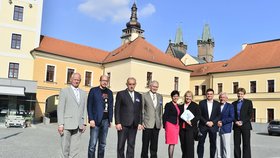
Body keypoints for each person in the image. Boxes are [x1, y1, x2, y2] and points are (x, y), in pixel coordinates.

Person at [57, 73, 87, 158]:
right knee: (65, 148)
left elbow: (85, 109)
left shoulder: (83, 93)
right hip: (66, 124)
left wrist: (84, 123)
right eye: (75, 79)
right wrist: (60, 124)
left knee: (75, 149)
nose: (76, 81)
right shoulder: (64, 91)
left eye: (78, 80)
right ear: (71, 79)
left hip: (79, 125)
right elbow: (60, 108)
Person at [115, 77, 143, 158]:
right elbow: (117, 109)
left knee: (131, 145)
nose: (131, 86)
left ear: (135, 85)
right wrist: (117, 122)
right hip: (123, 124)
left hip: (134, 124)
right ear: (127, 84)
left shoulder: (138, 95)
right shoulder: (121, 94)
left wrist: (140, 122)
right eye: (130, 84)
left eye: (133, 84)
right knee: (121, 145)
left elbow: (140, 110)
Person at [87, 75, 113, 158]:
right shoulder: (94, 90)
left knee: (102, 144)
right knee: (92, 145)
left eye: (106, 81)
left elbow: (111, 106)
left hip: (105, 121)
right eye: (103, 80)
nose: (105, 82)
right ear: (100, 81)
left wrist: (110, 120)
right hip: (95, 120)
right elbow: (89, 105)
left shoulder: (110, 92)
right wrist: (91, 119)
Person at [141, 80, 163, 158]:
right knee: (145, 144)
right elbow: (142, 110)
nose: (155, 88)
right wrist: (141, 122)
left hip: (156, 124)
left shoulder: (160, 96)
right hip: (147, 124)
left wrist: (160, 122)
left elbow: (160, 110)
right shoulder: (144, 95)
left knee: (154, 145)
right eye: (153, 86)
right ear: (150, 86)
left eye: (156, 87)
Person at [197, 88, 221, 158]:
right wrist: (206, 122)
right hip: (203, 126)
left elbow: (219, 115)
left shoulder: (217, 104)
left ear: (213, 95)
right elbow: (199, 115)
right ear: (206, 95)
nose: (209, 95)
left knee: (213, 144)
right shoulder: (201, 103)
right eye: (208, 94)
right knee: (201, 143)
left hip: (213, 127)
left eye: (211, 94)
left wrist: (213, 122)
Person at [179, 91, 201, 158]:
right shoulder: (181, 105)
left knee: (190, 147)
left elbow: (198, 116)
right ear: (185, 97)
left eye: (189, 96)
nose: (188, 97)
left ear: (192, 97)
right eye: (187, 96)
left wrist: (192, 121)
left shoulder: (195, 105)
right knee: (183, 146)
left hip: (190, 129)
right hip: (182, 129)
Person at [232, 88, 253, 158]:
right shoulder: (233, 103)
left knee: (246, 144)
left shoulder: (248, 102)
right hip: (236, 126)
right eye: (238, 93)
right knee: (236, 144)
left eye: (241, 94)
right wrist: (235, 121)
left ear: (244, 94)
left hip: (246, 126)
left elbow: (250, 115)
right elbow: (232, 115)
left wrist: (242, 121)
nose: (240, 95)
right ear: (237, 94)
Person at [216, 92, 234, 158]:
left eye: (223, 97)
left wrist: (222, 122)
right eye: (220, 97)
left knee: (226, 146)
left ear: (226, 98)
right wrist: (216, 122)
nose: (222, 99)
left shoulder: (230, 106)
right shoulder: (216, 105)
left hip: (226, 128)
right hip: (217, 128)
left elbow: (232, 117)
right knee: (218, 146)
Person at [162, 90, 180, 158]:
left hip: (176, 126)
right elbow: (165, 115)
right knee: (171, 143)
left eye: (177, 96)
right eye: (174, 96)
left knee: (173, 143)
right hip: (170, 125)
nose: (175, 97)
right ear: (172, 97)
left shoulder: (178, 105)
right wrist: (164, 126)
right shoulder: (168, 104)